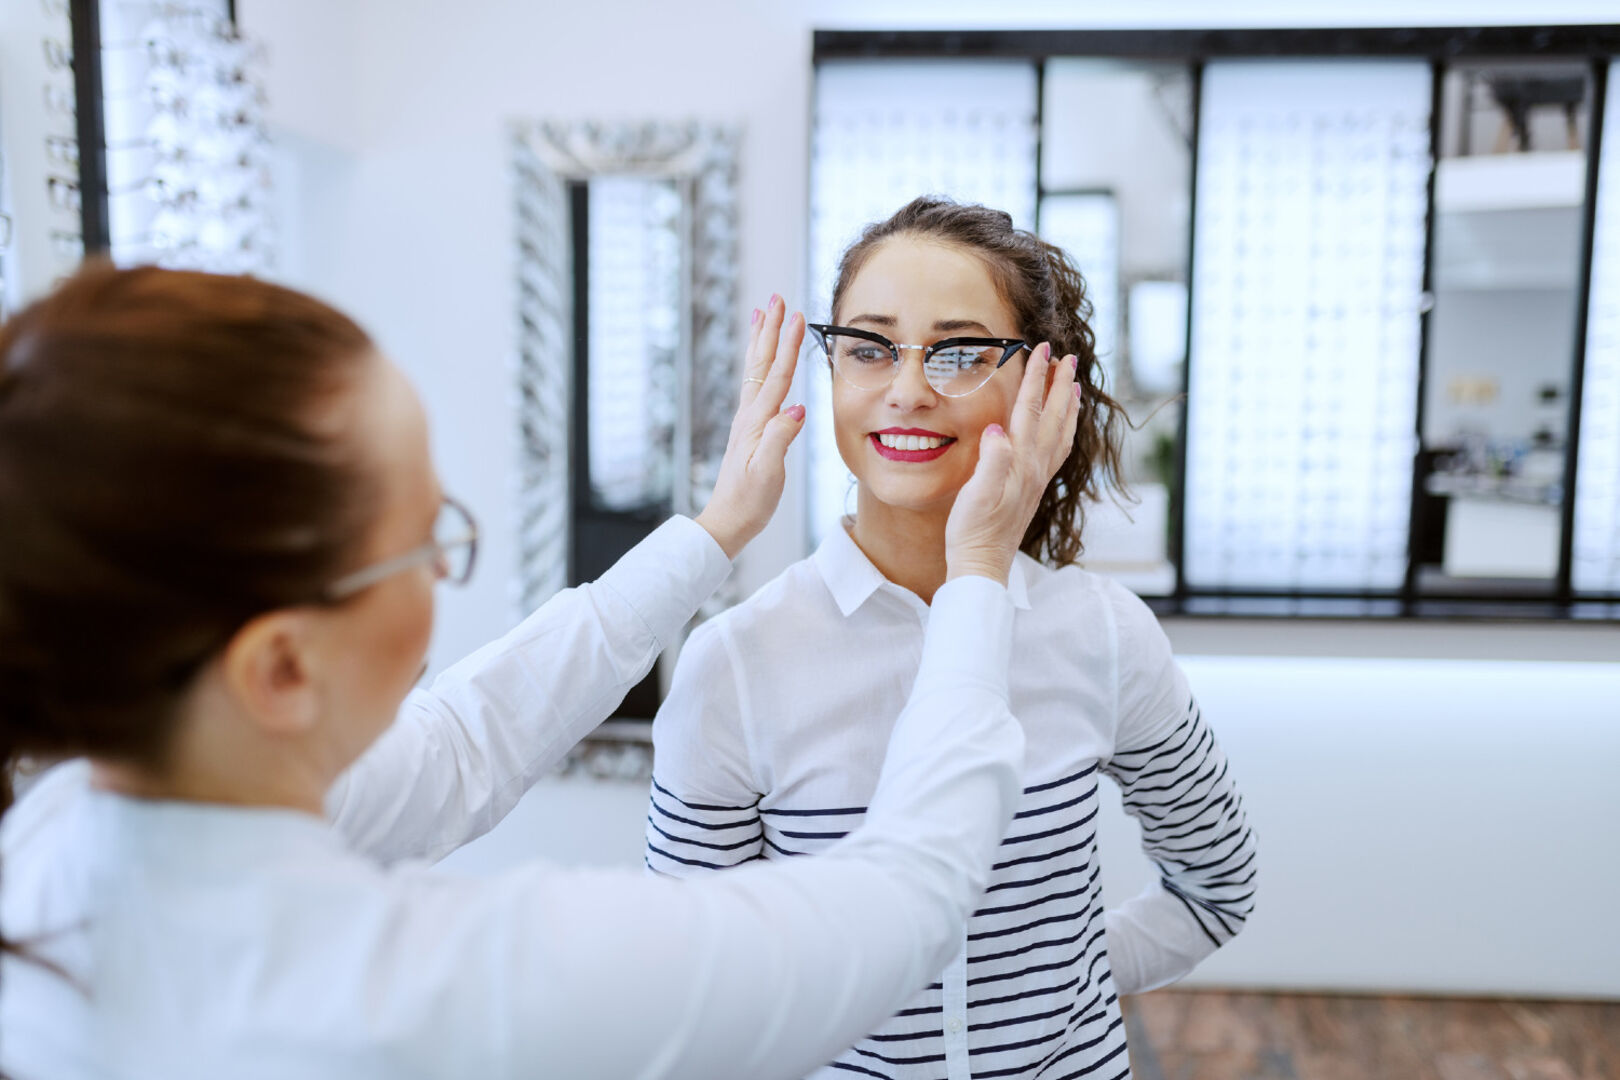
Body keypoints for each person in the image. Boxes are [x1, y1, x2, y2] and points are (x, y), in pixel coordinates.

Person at [0, 264, 1083, 1080]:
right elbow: (906, 900)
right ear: (281, 667)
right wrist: (978, 575)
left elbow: (465, 738)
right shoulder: (448, 989)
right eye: (426, 536)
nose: (443, 568)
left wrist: (712, 533)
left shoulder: (55, 842)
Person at [646, 197, 1259, 1080]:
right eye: (869, 347)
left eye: (963, 352)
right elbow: (689, 983)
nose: (907, 390)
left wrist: (1065, 983)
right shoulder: (737, 664)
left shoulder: (1103, 633)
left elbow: (1217, 887)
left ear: (1043, 384)